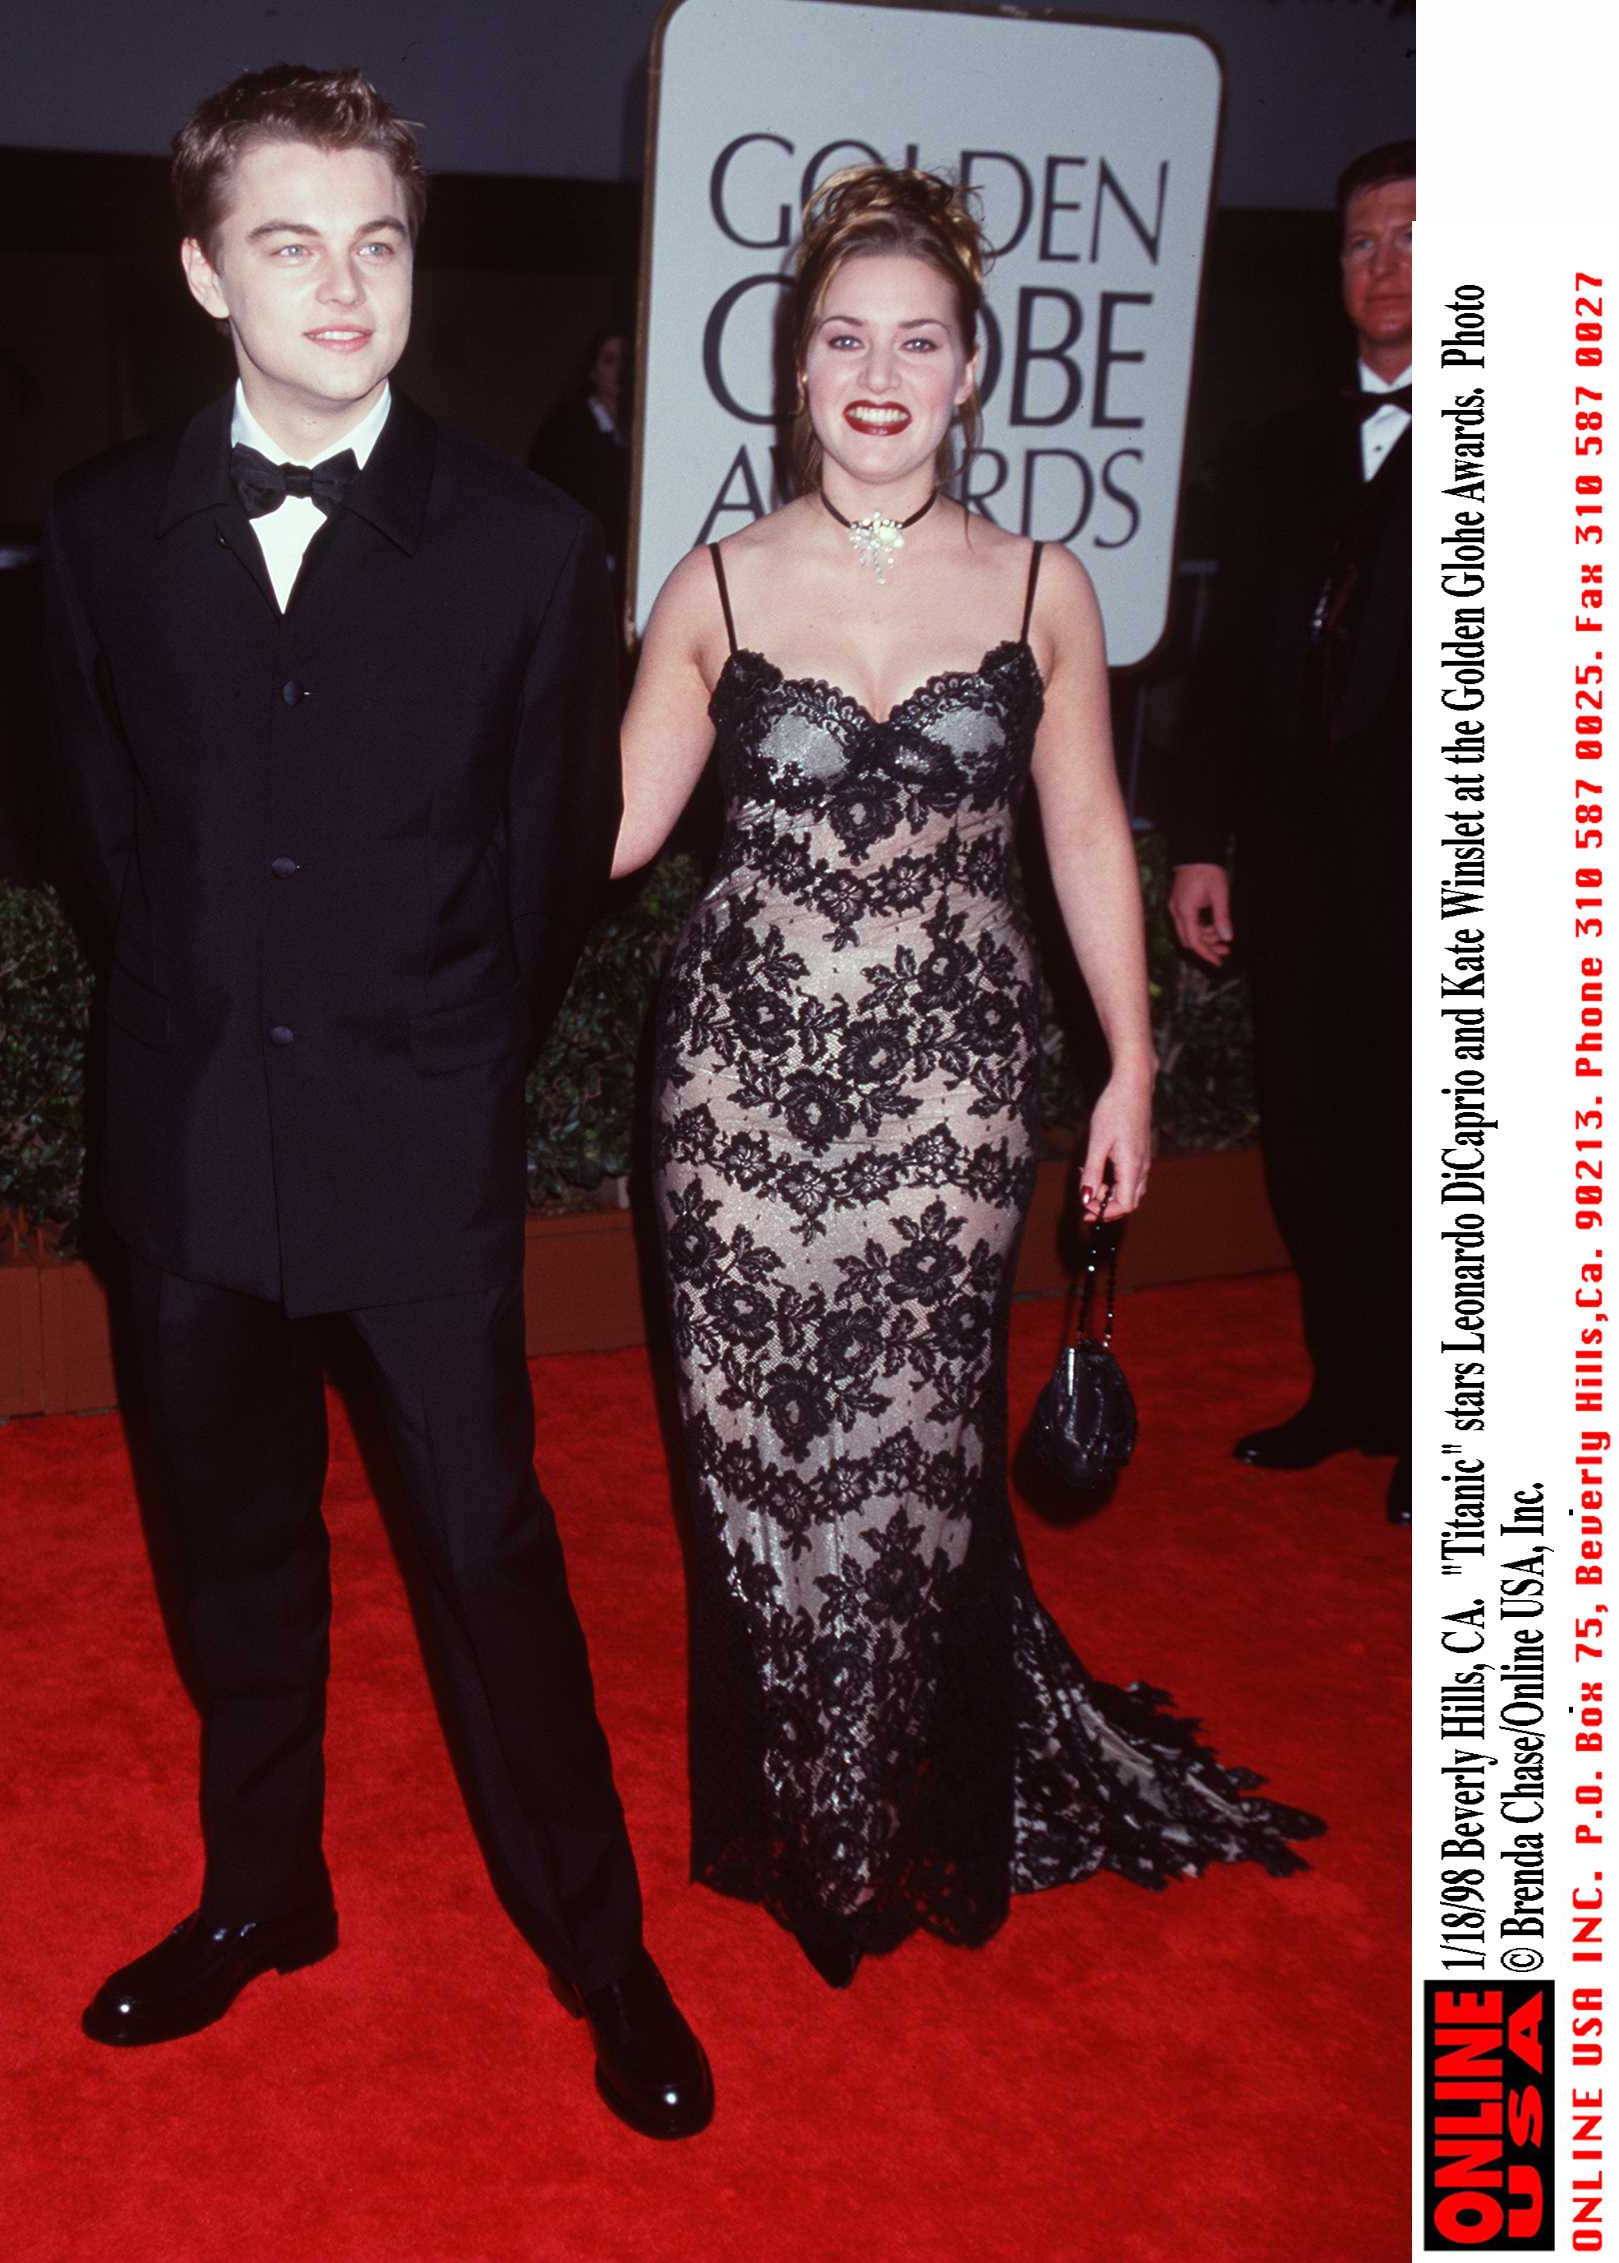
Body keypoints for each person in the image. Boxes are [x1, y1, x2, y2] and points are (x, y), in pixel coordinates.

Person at [42, 64, 711, 2140]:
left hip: (420, 1159)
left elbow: (544, 878)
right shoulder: (92, 534)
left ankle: (598, 1951)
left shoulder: (527, 547)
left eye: (379, 242)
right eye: (289, 242)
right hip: (184, 1155)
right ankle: (265, 1897)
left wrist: (428, 1068)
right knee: (229, 1558)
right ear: (200, 271)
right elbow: (103, 853)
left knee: (489, 1559)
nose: (343, 286)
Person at [615, 165, 1323, 1986]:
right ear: (793, 369)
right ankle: (804, 1810)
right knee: (752, 1452)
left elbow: (1087, 828)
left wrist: (1134, 1060)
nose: (878, 370)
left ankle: (894, 1819)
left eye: (917, 341)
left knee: (911, 1441)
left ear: (970, 369)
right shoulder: (711, 582)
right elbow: (613, 827)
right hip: (735, 1088)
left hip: (950, 1081)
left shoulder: (1037, 582)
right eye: (844, 336)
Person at [1166, 144, 1413, 1526]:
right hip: (1296, 863)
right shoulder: (1271, 454)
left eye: (1410, 238)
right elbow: (1217, 677)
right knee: (1310, 1142)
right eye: (1356, 242)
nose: (1379, 267)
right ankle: (1351, 1393)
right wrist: (1198, 841)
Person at [528, 328, 630, 588]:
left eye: (624, 360)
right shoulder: (568, 428)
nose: (619, 370)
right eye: (609, 360)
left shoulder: (634, 428)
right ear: (592, 370)